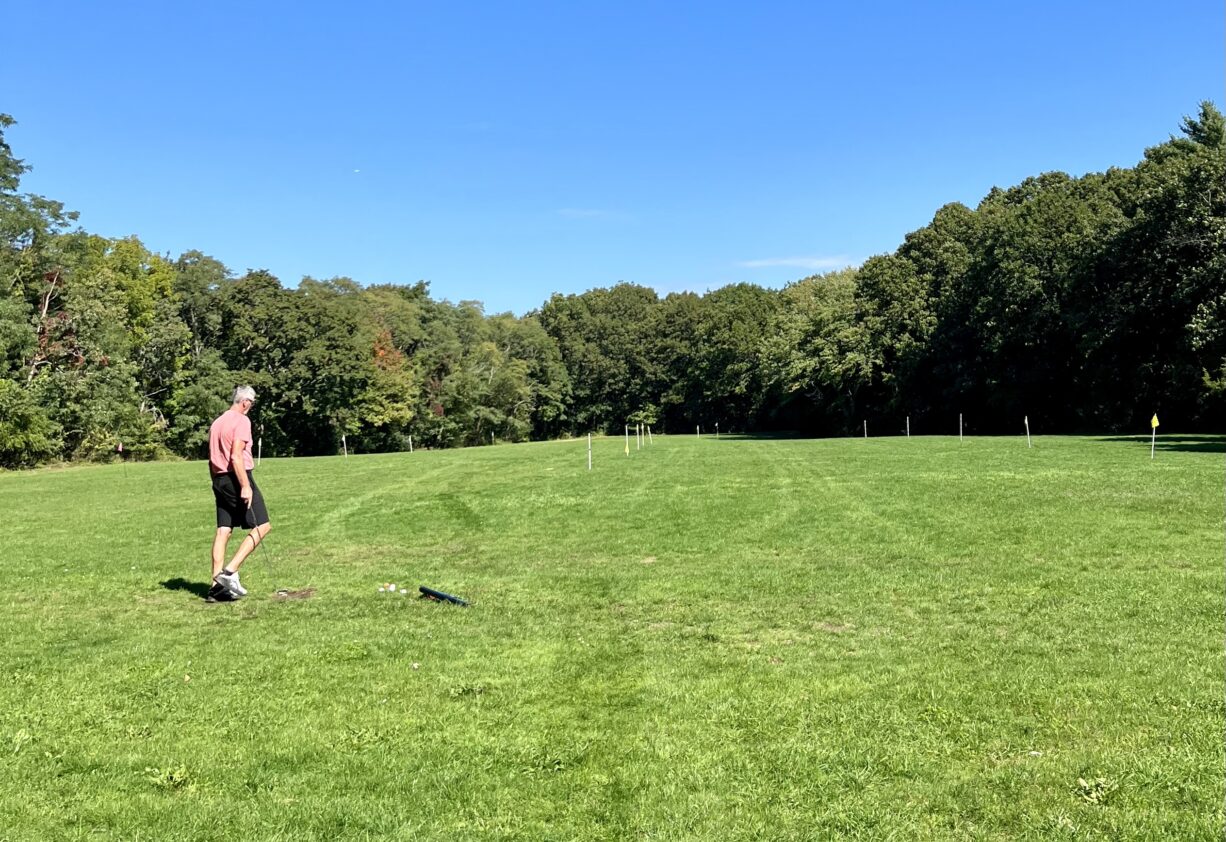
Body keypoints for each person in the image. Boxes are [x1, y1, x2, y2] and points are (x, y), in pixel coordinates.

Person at [207, 386, 271, 600]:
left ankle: (216, 587)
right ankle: (229, 572)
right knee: (262, 526)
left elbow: (211, 458)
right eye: (251, 403)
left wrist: (216, 483)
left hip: (218, 478)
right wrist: (245, 485)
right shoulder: (242, 421)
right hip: (237, 476)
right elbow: (236, 456)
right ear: (245, 402)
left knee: (223, 530)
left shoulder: (217, 422)